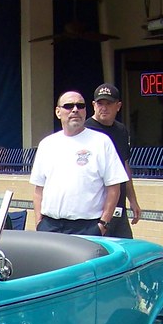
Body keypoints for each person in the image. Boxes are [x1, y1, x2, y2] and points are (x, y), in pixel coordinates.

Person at [30, 90, 128, 236]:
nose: (75, 110)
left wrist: (103, 224)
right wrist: (39, 222)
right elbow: (39, 189)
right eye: (69, 106)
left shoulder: (101, 142)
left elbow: (114, 187)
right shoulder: (46, 144)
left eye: (80, 106)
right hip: (50, 226)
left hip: (88, 227)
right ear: (58, 112)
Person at [84, 83, 141, 238]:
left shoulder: (121, 130)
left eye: (108, 104)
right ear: (93, 105)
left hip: (118, 207)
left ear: (118, 106)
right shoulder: (85, 130)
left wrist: (133, 200)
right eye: (100, 103)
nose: (104, 108)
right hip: (94, 211)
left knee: (124, 251)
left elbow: (124, 167)